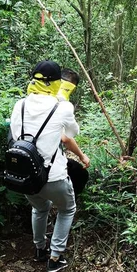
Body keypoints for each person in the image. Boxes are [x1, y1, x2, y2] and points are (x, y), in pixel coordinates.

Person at [9, 60, 79, 272]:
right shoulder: (63, 107)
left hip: (25, 176)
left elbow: (14, 133)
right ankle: (55, 258)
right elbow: (71, 134)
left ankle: (40, 249)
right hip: (53, 176)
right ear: (58, 83)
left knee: (39, 208)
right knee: (67, 209)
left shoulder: (19, 104)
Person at [57, 68, 90, 198]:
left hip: (25, 158)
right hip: (46, 161)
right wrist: (82, 156)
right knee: (82, 174)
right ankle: (70, 200)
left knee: (39, 208)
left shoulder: (27, 101)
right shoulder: (64, 105)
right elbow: (66, 138)